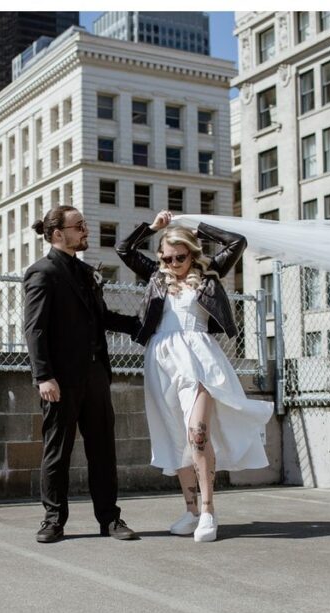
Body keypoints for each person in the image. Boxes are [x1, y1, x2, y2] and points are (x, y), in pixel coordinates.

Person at [116, 210, 273, 542]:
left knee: (197, 434)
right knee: (176, 438)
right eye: (167, 258)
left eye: (180, 257)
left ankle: (208, 512)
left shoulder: (209, 275)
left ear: (191, 252)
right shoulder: (157, 278)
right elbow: (124, 250)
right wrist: (151, 228)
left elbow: (237, 242)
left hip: (199, 360)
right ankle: (190, 511)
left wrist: (196, 225)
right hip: (161, 362)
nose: (173, 263)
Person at [23, 205, 142, 544]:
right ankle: (53, 520)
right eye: (80, 226)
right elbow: (35, 330)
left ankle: (110, 519)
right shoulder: (42, 273)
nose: (86, 231)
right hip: (60, 380)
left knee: (103, 450)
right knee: (57, 450)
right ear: (58, 233)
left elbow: (100, 317)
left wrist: (140, 325)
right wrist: (43, 376)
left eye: (85, 225)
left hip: (95, 375)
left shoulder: (87, 273)